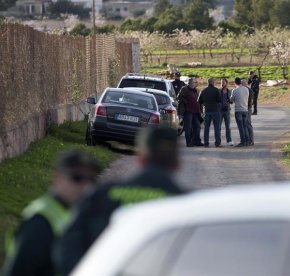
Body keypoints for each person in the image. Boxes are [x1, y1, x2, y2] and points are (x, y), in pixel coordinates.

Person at [56, 127, 186, 275]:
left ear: (140, 159)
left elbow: (67, 247)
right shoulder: (191, 207)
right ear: (178, 164)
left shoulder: (102, 196)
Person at [2, 150, 100, 276]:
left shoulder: (75, 212)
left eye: (91, 179)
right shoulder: (40, 221)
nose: (85, 186)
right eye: (77, 178)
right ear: (56, 179)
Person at [177, 78, 203, 147]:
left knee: (197, 127)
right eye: (195, 82)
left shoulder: (196, 90)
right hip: (188, 111)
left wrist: (201, 110)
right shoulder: (184, 89)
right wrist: (187, 102)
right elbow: (179, 97)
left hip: (196, 112)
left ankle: (197, 141)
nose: (196, 83)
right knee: (188, 128)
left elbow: (199, 100)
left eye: (196, 82)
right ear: (191, 83)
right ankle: (189, 142)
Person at [198, 78, 222, 147]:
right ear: (213, 82)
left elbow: (199, 101)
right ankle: (217, 143)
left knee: (206, 128)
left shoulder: (203, 90)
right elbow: (219, 100)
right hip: (215, 110)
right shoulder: (216, 90)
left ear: (208, 82)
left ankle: (206, 143)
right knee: (217, 128)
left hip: (207, 111)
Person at [230, 77, 250, 147]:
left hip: (238, 110)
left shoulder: (234, 90)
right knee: (245, 126)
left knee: (240, 127)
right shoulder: (246, 89)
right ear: (240, 82)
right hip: (245, 110)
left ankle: (243, 141)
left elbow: (231, 100)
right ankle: (247, 141)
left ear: (235, 83)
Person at [220, 78, 233, 146]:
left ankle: (229, 140)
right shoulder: (218, 91)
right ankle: (218, 141)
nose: (222, 84)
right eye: (221, 82)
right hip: (219, 111)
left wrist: (230, 100)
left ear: (226, 83)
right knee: (218, 126)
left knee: (228, 126)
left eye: (223, 82)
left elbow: (232, 101)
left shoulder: (229, 91)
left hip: (227, 111)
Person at [242, 79, 255, 146]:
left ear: (245, 84)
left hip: (247, 109)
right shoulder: (247, 90)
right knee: (245, 124)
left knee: (248, 124)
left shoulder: (249, 90)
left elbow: (251, 101)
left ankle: (251, 140)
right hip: (245, 109)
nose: (241, 85)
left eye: (242, 84)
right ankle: (248, 140)